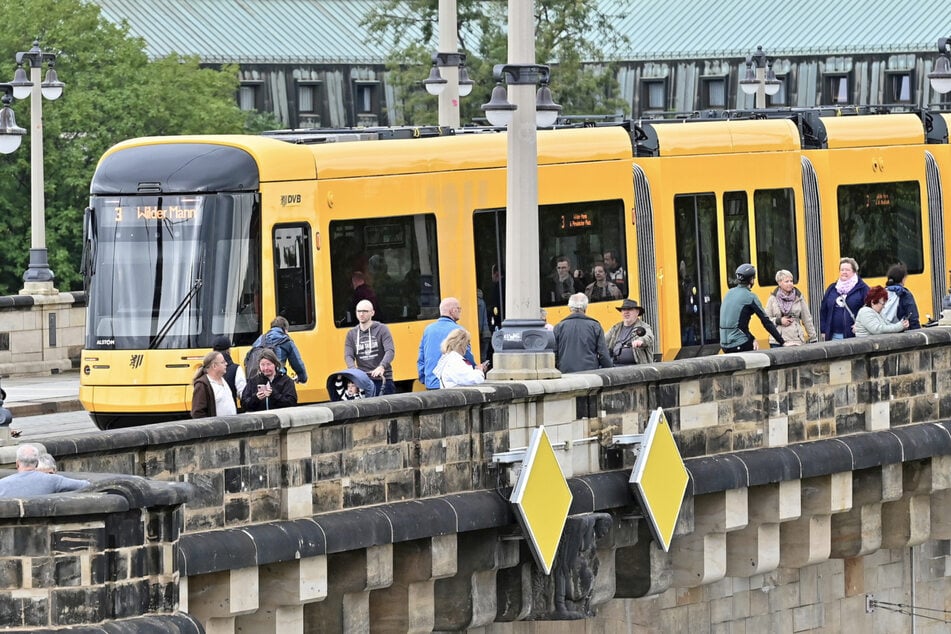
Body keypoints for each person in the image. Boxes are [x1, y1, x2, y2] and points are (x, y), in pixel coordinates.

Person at [719, 263, 785, 353]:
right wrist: (782, 342)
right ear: (751, 279)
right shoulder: (750, 297)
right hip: (738, 344)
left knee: (751, 341)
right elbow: (766, 322)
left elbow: (737, 325)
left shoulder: (728, 293)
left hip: (724, 345)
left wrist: (752, 338)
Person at [417, 298, 476, 389]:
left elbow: (421, 358)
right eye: (459, 309)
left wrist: (425, 379)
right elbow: (467, 356)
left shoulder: (428, 330)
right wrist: (476, 371)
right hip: (451, 384)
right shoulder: (459, 331)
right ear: (452, 311)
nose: (460, 311)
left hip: (431, 384)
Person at [343, 299, 396, 396]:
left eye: (365, 311)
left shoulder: (382, 329)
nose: (361, 314)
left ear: (372, 313)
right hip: (364, 380)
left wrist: (382, 366)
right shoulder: (351, 333)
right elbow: (348, 355)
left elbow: (390, 351)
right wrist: (353, 370)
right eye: (358, 311)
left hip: (383, 379)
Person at [553, 293, 613, 373]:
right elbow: (603, 354)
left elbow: (554, 354)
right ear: (585, 308)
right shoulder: (595, 326)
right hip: (590, 373)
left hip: (565, 374)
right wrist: (610, 370)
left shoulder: (559, 327)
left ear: (570, 308)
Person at [0, 445, 89, 497]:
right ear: (37, 463)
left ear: (17, 464)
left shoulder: (2, 484)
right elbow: (86, 485)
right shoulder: (53, 480)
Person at [819, 257, 869, 341]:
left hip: (854, 336)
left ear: (854, 272)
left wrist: (861, 325)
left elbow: (870, 309)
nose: (844, 272)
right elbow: (824, 310)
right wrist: (823, 330)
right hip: (833, 336)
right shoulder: (832, 288)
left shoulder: (862, 289)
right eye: (842, 270)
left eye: (847, 270)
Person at [249, 316, 308, 383]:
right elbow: (297, 362)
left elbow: (249, 358)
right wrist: (302, 378)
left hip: (258, 379)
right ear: (285, 330)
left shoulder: (260, 339)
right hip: (277, 379)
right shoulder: (285, 340)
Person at [765, 270, 817, 347]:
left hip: (796, 339)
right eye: (786, 281)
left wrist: (813, 338)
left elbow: (807, 319)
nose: (790, 283)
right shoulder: (772, 299)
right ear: (779, 283)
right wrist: (779, 320)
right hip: (777, 341)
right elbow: (766, 319)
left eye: (791, 281)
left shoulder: (799, 297)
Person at [605, 299, 654, 365]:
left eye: (630, 309)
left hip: (637, 368)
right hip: (615, 367)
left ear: (637, 312)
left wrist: (640, 341)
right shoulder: (616, 328)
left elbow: (649, 337)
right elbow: (603, 340)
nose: (626, 312)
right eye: (624, 310)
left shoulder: (644, 326)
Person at [191, 351, 237, 418]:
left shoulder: (224, 380)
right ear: (214, 366)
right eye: (223, 362)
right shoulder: (202, 385)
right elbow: (197, 412)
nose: (226, 364)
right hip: (216, 427)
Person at [212, 336, 247, 405]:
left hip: (212, 413)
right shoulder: (236, 369)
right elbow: (243, 394)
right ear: (228, 351)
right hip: (230, 412)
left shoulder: (207, 369)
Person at [884, 263, 921, 329]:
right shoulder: (905, 294)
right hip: (901, 333)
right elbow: (913, 318)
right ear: (903, 279)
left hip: (885, 331)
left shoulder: (882, 292)